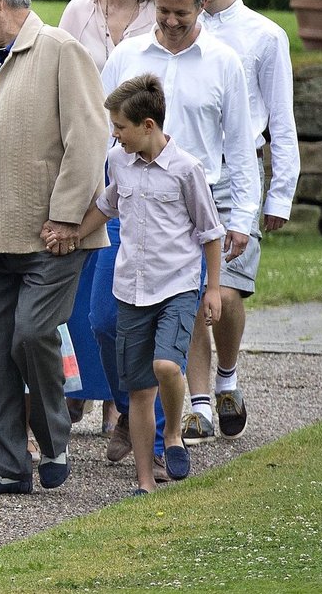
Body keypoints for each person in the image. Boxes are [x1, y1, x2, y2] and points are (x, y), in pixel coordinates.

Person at [0, 0, 110, 495]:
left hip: (52, 236)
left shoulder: (62, 51)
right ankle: (6, 466)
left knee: (32, 333)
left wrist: (66, 215)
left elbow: (88, 139)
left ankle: (53, 436)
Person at [101, 0, 262, 453]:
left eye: (182, 15)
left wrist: (241, 218)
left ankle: (194, 408)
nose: (171, 23)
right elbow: (103, 130)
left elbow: (239, 146)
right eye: (164, 13)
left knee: (197, 307)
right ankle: (139, 408)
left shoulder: (223, 62)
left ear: (201, 8)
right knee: (108, 319)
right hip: (133, 198)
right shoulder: (128, 55)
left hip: (203, 197)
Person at [47, 74, 224, 494]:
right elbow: (106, 206)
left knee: (165, 365)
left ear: (148, 125)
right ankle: (144, 482)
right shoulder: (119, 161)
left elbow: (210, 233)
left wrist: (212, 288)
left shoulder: (186, 170)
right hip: (131, 289)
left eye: (120, 127)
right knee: (138, 390)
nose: (115, 135)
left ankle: (175, 435)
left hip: (177, 287)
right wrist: (72, 234)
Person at [180, 0, 300, 444]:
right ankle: (201, 403)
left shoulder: (263, 36)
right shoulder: (177, 31)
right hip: (184, 177)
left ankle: (227, 374)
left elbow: (281, 120)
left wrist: (280, 195)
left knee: (224, 295)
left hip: (238, 177)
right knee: (184, 296)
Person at [58, 0, 167, 439]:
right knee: (82, 280)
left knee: (125, 280)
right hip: (88, 152)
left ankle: (123, 407)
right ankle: (83, 388)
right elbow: (60, 75)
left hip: (138, 156)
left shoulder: (158, 13)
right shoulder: (81, 9)